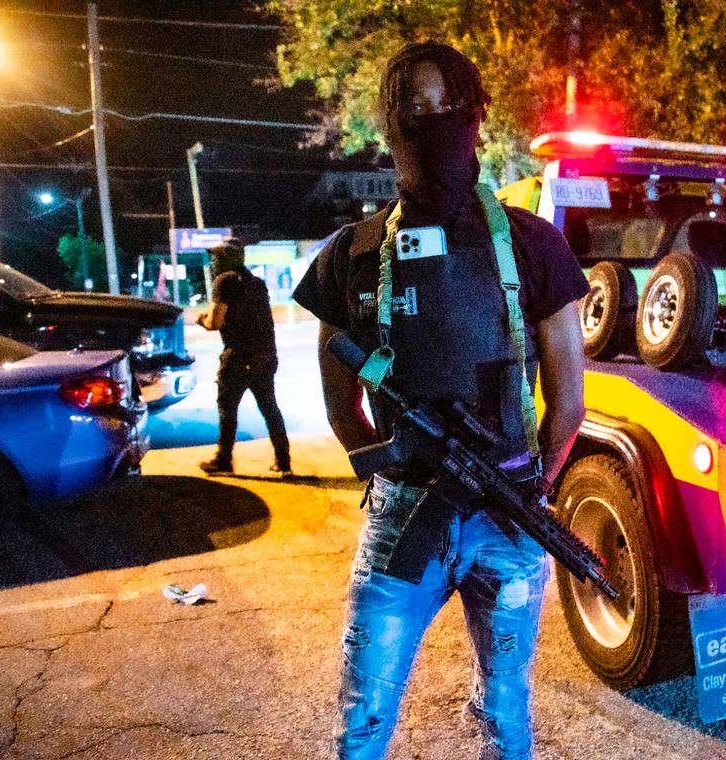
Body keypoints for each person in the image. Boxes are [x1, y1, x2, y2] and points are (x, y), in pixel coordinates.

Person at [293, 41, 589, 760]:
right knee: (365, 720)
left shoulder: (532, 243)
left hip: (510, 511)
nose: (431, 121)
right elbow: (340, 406)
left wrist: (531, 485)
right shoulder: (353, 252)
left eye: (445, 105)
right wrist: (394, 465)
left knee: (506, 714)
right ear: (390, 124)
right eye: (413, 108)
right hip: (408, 517)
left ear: (474, 116)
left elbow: (568, 401)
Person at [197, 237, 292, 476]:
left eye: (217, 256)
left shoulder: (224, 281)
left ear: (227, 259)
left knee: (227, 409)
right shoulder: (257, 283)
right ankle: (283, 461)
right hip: (265, 356)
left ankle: (223, 460)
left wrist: (202, 320)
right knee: (270, 408)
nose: (213, 261)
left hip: (238, 357)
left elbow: (215, 321)